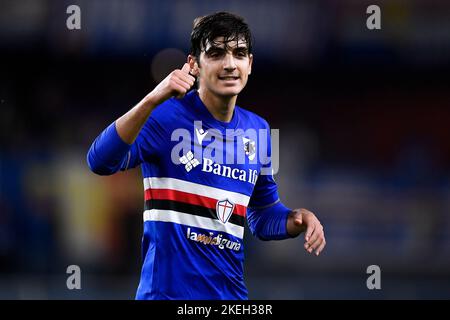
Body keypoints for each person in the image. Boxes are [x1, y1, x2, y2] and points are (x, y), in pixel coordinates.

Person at [87, 11, 325, 300]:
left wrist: (297, 218)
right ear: (194, 65)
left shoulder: (260, 131)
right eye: (216, 53)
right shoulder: (164, 118)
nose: (229, 64)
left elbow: (261, 216)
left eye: (239, 54)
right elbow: (99, 161)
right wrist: (151, 99)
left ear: (249, 64)